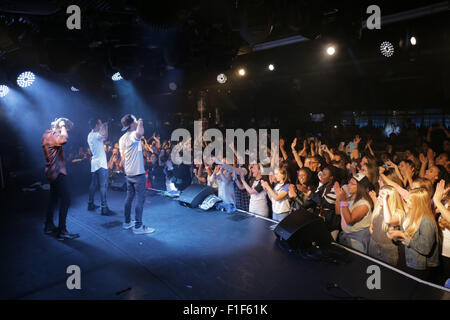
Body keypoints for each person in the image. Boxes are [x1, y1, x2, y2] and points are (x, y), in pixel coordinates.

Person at [387, 188, 440, 280]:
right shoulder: (410, 214)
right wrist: (396, 235)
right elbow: (407, 235)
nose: (406, 200)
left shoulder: (426, 221)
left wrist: (403, 236)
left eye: (410, 200)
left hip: (417, 265)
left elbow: (425, 248)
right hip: (406, 258)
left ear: (418, 202)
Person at [41, 117, 79, 240]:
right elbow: (64, 139)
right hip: (57, 172)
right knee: (66, 200)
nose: (66, 131)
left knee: (53, 199)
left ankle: (48, 226)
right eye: (65, 128)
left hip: (51, 172)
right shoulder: (54, 135)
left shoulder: (46, 135)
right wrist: (62, 125)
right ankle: (62, 231)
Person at [119, 114, 155, 235]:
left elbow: (122, 158)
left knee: (129, 198)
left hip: (129, 173)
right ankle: (138, 227)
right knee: (140, 199)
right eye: (134, 122)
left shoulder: (122, 138)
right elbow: (140, 132)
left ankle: (127, 222)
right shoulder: (133, 135)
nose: (136, 123)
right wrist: (140, 122)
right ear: (131, 124)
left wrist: (126, 170)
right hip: (138, 174)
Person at [335, 173, 373, 253]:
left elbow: (349, 220)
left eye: (352, 184)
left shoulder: (363, 204)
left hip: (356, 239)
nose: (348, 185)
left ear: (360, 187)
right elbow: (338, 212)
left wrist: (343, 201)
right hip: (346, 235)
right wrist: (338, 197)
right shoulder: (348, 198)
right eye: (349, 182)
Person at [368, 186, 406, 266]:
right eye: (379, 195)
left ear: (390, 198)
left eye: (381, 196)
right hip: (373, 244)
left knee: (386, 275)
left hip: (388, 250)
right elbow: (372, 224)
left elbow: (388, 220)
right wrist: (372, 232)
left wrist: (385, 200)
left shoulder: (399, 213)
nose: (378, 198)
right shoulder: (378, 208)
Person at [87, 118, 113, 215]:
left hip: (94, 163)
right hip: (101, 164)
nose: (101, 125)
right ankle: (104, 208)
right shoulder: (96, 135)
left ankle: (90, 203)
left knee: (93, 184)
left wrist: (102, 126)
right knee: (103, 186)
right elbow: (105, 136)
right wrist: (106, 126)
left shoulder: (89, 135)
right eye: (100, 124)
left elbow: (102, 135)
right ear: (97, 125)